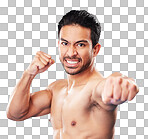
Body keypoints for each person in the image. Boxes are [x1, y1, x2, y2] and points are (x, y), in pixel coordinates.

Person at [6, 10, 139, 139]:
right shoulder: (56, 89)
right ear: (59, 44)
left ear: (95, 49)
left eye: (80, 45)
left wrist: (121, 83)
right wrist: (29, 73)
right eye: (65, 43)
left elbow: (109, 86)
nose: (70, 53)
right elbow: (15, 114)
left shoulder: (95, 89)